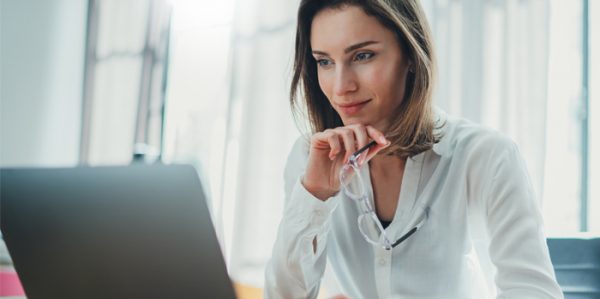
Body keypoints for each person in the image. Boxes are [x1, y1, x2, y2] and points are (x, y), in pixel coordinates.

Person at [265, 0, 563, 298]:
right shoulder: (310, 159)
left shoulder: (487, 156)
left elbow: (535, 292)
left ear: (410, 54)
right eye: (324, 62)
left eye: (363, 55)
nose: (341, 87)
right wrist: (314, 196)